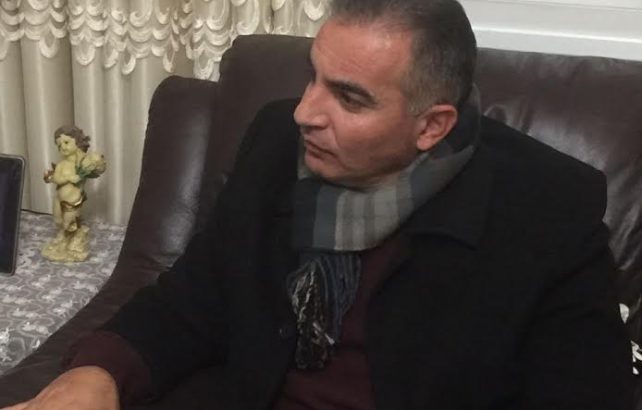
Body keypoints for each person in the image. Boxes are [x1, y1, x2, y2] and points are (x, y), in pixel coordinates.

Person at [3, 0, 632, 408]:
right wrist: (98, 373)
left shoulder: (547, 211)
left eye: (349, 98)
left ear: (432, 125)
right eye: (313, 76)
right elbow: (194, 298)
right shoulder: (277, 145)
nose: (306, 112)